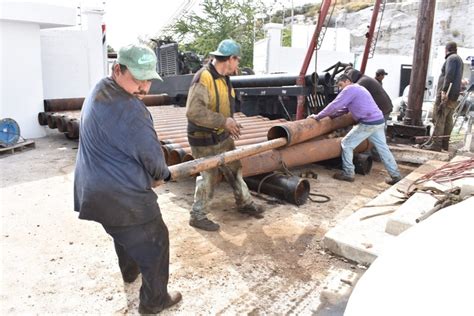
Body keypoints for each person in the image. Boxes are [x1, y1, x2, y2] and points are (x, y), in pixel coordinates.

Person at [74, 44, 181, 314]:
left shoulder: (100, 88)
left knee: (123, 232)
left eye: (148, 79)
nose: (144, 87)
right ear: (117, 68)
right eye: (137, 78)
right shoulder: (130, 108)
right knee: (156, 238)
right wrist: (163, 174)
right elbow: (153, 158)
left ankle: (129, 272)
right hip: (121, 195)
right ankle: (154, 301)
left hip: (93, 190)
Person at [185, 39, 264, 231]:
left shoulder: (224, 78)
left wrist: (231, 123)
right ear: (230, 59)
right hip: (204, 140)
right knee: (208, 177)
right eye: (237, 61)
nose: (238, 66)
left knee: (235, 169)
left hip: (223, 137)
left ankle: (244, 203)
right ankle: (198, 215)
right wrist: (224, 121)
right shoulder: (204, 77)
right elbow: (194, 112)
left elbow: (224, 107)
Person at [309, 74, 402, 185]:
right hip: (378, 120)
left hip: (368, 123)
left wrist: (318, 116)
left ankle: (348, 173)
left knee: (346, 143)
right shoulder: (359, 89)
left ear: (347, 81)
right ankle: (396, 175)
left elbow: (335, 105)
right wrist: (332, 117)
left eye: (340, 85)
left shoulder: (350, 89)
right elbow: (344, 109)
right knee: (383, 149)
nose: (340, 88)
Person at [425, 41, 464, 151]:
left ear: (446, 49)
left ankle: (436, 145)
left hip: (446, 95)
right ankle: (444, 144)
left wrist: (444, 91)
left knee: (439, 118)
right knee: (448, 120)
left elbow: (449, 75)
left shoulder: (451, 59)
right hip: (454, 95)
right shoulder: (459, 59)